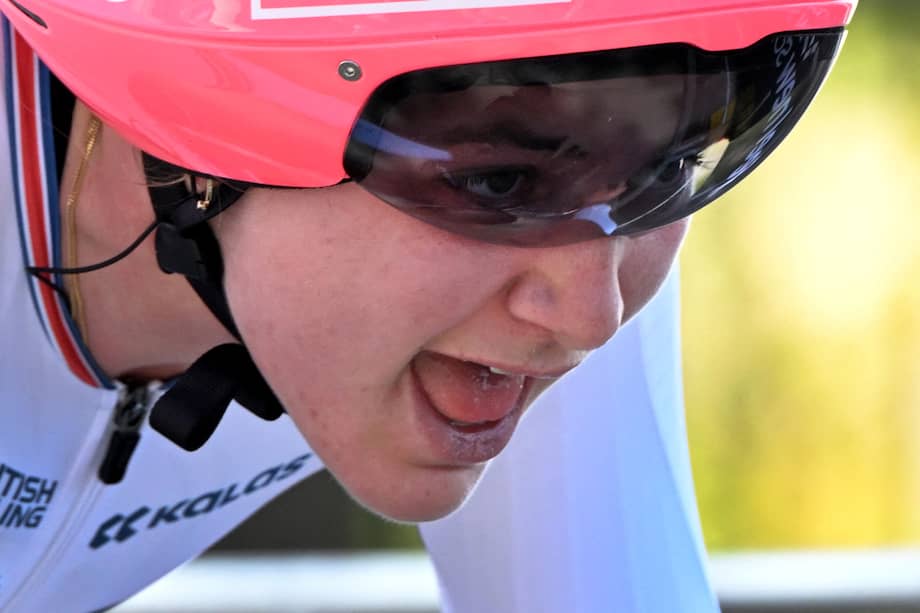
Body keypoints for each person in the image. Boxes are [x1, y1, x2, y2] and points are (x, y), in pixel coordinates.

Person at [0, 1, 855, 611]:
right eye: (499, 181)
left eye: (668, 169)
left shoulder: (535, 283)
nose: (591, 318)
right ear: (197, 123)